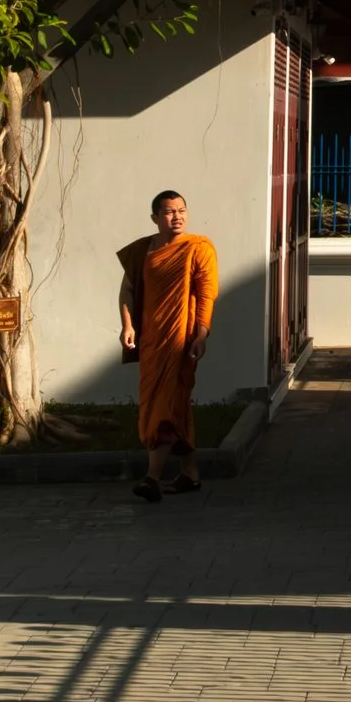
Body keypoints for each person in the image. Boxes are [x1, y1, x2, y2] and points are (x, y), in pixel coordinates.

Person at [117, 189, 218, 503]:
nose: (178, 217)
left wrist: (201, 334)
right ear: (155, 218)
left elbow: (206, 294)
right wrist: (128, 325)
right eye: (170, 212)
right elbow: (128, 290)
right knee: (171, 408)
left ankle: (152, 478)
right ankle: (190, 473)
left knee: (165, 407)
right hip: (151, 343)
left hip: (181, 341)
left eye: (182, 210)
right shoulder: (144, 250)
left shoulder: (198, 248)